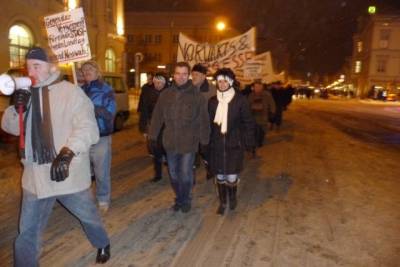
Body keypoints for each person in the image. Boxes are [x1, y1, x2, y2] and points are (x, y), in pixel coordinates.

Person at [1, 47, 110, 265]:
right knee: (27, 232)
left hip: (65, 172)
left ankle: (102, 242)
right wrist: (16, 107)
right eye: (29, 66)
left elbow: (88, 128)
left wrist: (68, 152)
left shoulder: (71, 92)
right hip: (35, 176)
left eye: (37, 66)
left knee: (87, 216)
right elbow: (12, 128)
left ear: (51, 67)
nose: (31, 71)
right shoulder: (26, 95)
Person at [149, 62, 210, 213]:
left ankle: (184, 200)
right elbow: (157, 117)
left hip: (188, 143)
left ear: (188, 75)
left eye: (184, 74)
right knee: (174, 174)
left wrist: (205, 141)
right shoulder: (166, 94)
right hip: (170, 142)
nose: (181, 77)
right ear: (173, 75)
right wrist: (152, 136)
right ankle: (181, 197)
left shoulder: (197, 96)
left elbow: (204, 119)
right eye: (178, 73)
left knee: (185, 174)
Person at [207, 68, 255, 215]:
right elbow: (209, 123)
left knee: (231, 176)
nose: (221, 84)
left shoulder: (240, 100)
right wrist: (206, 143)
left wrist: (248, 141)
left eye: (225, 81)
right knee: (220, 175)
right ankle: (223, 202)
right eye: (219, 81)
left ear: (231, 82)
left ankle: (232, 197)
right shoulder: (213, 101)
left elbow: (247, 122)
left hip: (234, 143)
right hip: (217, 144)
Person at [81, 60, 116, 213]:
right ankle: (86, 200)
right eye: (84, 69)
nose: (87, 71)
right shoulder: (79, 90)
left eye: (91, 68)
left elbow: (110, 113)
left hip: (101, 137)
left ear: (98, 72)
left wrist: (92, 108)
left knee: (101, 172)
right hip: (83, 137)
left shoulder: (106, 89)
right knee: (83, 172)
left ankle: (103, 199)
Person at [138, 73, 168, 183]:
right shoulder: (148, 93)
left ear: (164, 83)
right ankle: (158, 174)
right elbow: (144, 111)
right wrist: (143, 127)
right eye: (156, 82)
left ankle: (171, 169)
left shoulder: (170, 93)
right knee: (156, 151)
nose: (158, 85)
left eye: (160, 83)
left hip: (167, 126)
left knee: (167, 149)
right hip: (154, 125)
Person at [191, 63, 216, 180]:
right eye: (193, 74)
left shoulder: (212, 90)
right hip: (191, 126)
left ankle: (210, 167)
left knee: (205, 150)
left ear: (203, 76)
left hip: (207, 126)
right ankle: (192, 170)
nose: (194, 77)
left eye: (197, 74)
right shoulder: (189, 88)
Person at [248, 80, 276, 147]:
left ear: (262, 87)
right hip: (253, 116)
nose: (257, 88)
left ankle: (260, 140)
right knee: (254, 130)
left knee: (262, 130)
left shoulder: (267, 94)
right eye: (255, 86)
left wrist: (272, 112)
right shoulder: (251, 95)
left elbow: (272, 104)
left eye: (258, 86)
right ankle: (255, 141)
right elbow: (247, 104)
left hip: (263, 115)